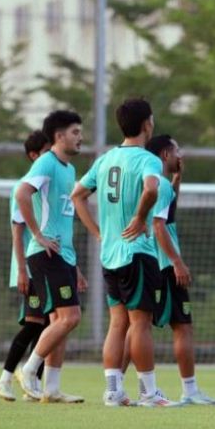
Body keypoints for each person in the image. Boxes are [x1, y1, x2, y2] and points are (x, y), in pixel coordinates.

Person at [72, 97, 179, 408]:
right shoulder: (148, 160)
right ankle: (149, 392)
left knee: (117, 323)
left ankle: (113, 391)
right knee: (140, 323)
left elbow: (78, 195)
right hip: (137, 252)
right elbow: (151, 189)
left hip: (110, 254)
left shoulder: (105, 160)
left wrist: (98, 233)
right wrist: (138, 217)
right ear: (147, 124)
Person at [119, 134, 215, 405]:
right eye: (177, 150)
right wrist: (177, 262)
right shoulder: (159, 186)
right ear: (165, 155)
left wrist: (178, 179)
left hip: (151, 262)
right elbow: (158, 226)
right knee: (182, 327)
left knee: (137, 326)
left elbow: (166, 210)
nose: (181, 156)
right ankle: (189, 391)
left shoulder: (159, 185)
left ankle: (115, 384)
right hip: (165, 265)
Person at [15, 111, 87, 403]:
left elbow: (63, 217)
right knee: (71, 317)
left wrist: (75, 265)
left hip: (63, 255)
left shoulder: (69, 169)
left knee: (61, 321)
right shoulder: (47, 162)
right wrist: (38, 235)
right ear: (59, 136)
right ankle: (29, 369)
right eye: (75, 132)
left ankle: (52, 388)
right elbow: (22, 193)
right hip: (45, 253)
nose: (80, 137)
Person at [0, 131, 50, 401]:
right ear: (34, 155)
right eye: (47, 150)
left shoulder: (45, 187)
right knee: (33, 324)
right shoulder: (23, 188)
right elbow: (17, 233)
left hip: (45, 266)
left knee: (46, 325)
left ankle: (32, 386)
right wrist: (22, 269)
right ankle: (4, 379)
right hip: (30, 266)